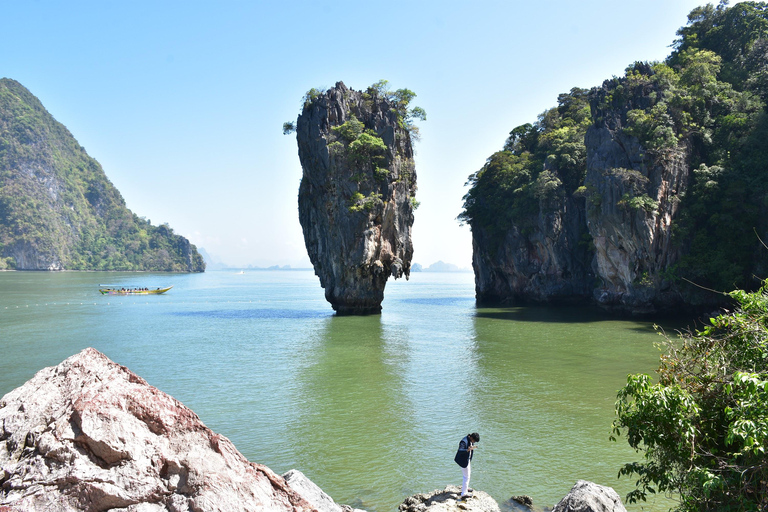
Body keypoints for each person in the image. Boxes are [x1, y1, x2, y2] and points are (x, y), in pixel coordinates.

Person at [454, 432, 480, 499]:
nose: (474, 442)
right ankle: (464, 493)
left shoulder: (470, 440)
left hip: (467, 460)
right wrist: (467, 450)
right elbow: (460, 450)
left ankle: (466, 488)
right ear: (471, 437)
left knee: (468, 475)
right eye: (474, 441)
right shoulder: (464, 441)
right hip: (463, 461)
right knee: (466, 477)